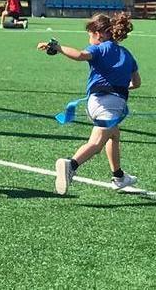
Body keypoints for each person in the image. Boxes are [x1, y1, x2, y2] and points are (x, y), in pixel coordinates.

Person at [39, 14, 140, 194]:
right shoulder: (127, 54)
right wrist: (120, 87)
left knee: (114, 135)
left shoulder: (100, 49)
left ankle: (118, 176)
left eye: (90, 33)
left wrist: (57, 47)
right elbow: (137, 83)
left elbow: (80, 55)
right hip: (110, 105)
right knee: (96, 144)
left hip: (94, 102)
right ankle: (71, 164)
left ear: (99, 34)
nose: (89, 38)